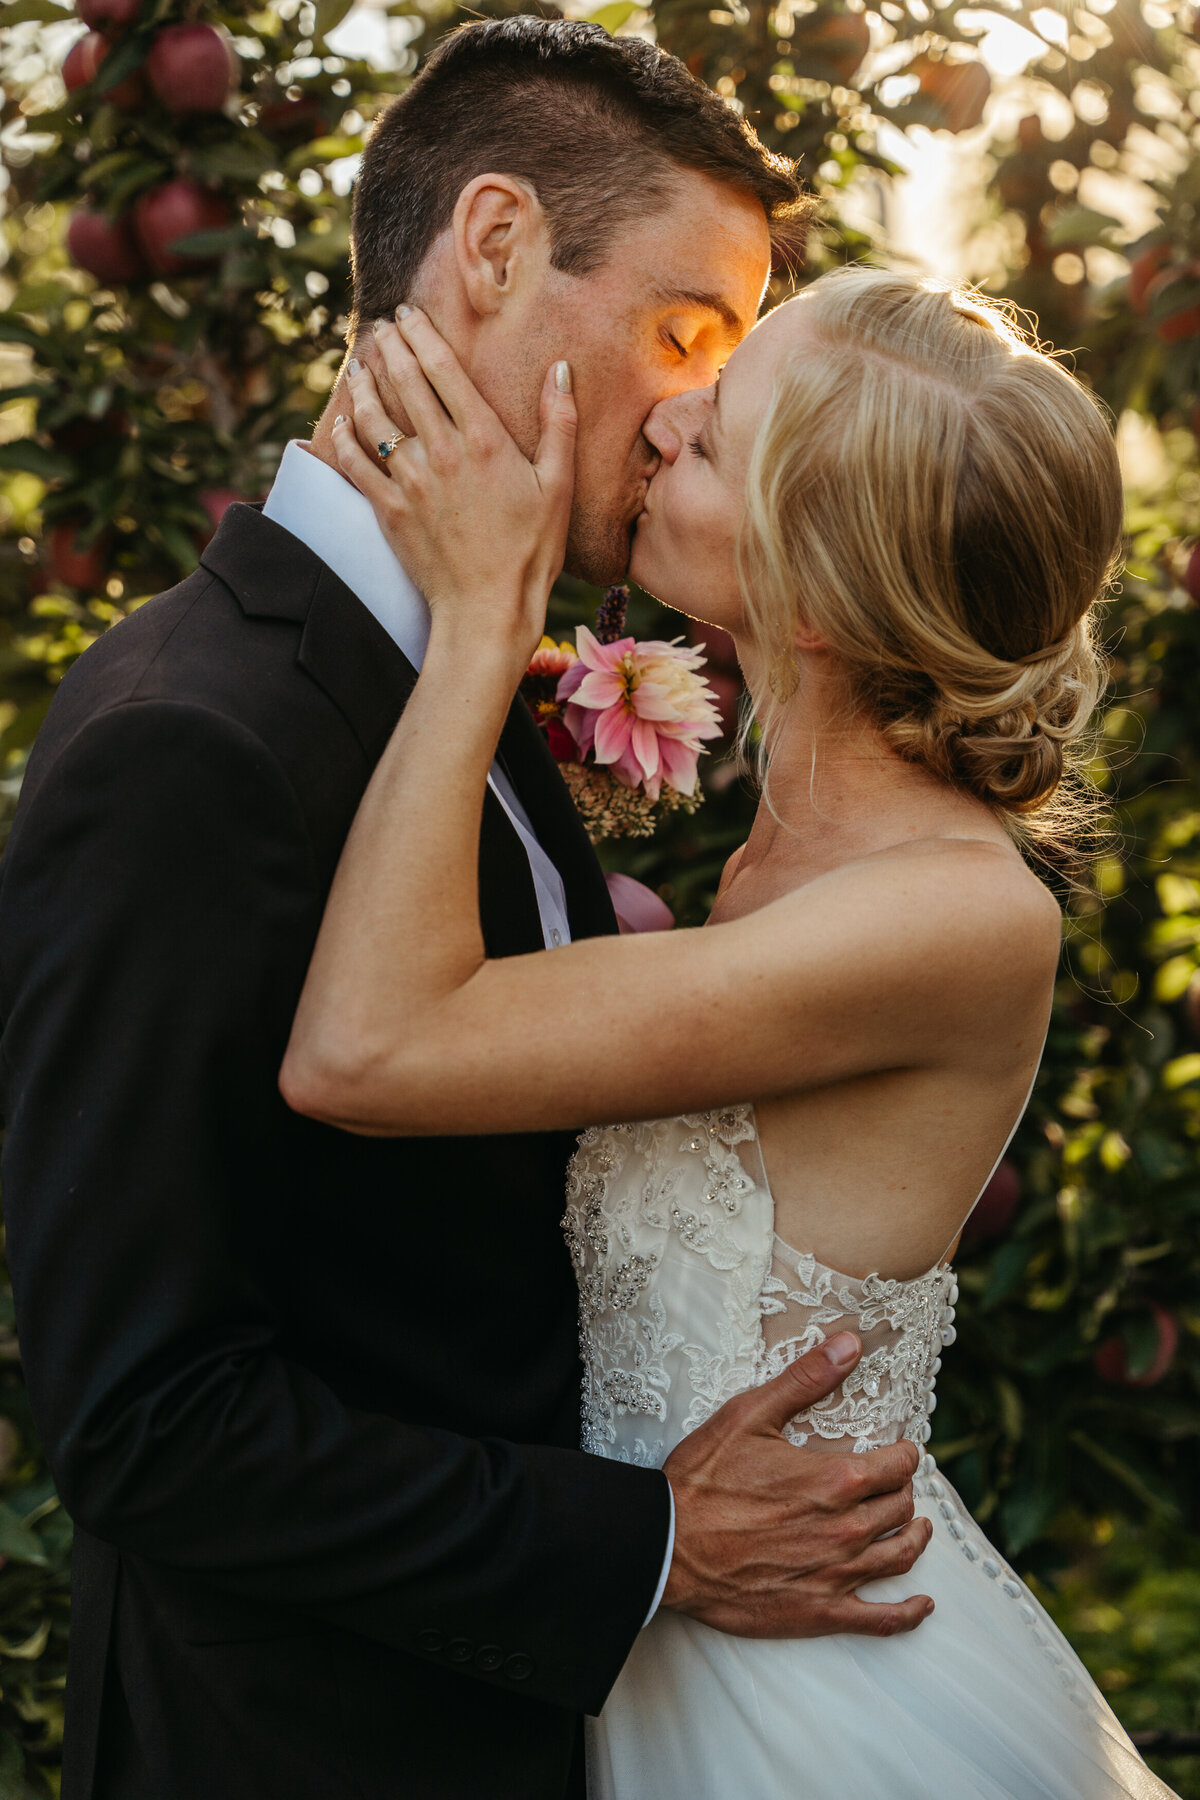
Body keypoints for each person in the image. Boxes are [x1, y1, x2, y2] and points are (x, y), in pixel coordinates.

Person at [0, 22, 934, 1800]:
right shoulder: (190, 743)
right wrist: (645, 1543)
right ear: (494, 248)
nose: (688, 413)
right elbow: (145, 1423)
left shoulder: (463, 666)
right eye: (683, 331)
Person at [281, 268, 1180, 1798]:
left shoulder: (953, 916)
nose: (664, 415)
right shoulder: (780, 852)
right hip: (666, 1627)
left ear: (818, 598)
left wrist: (483, 624)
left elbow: (362, 1051)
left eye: (714, 436)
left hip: (814, 1700)